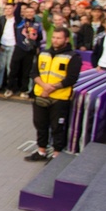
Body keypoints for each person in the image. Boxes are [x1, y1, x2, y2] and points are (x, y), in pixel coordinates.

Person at [25, 27, 82, 163]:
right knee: (40, 124)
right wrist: (44, 87)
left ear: (66, 39)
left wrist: (50, 89)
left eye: (59, 38)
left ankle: (56, 154)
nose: (55, 40)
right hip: (40, 95)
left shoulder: (73, 57)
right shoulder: (43, 53)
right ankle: (41, 150)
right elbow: (34, 73)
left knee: (57, 127)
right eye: (54, 37)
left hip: (60, 98)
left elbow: (71, 79)